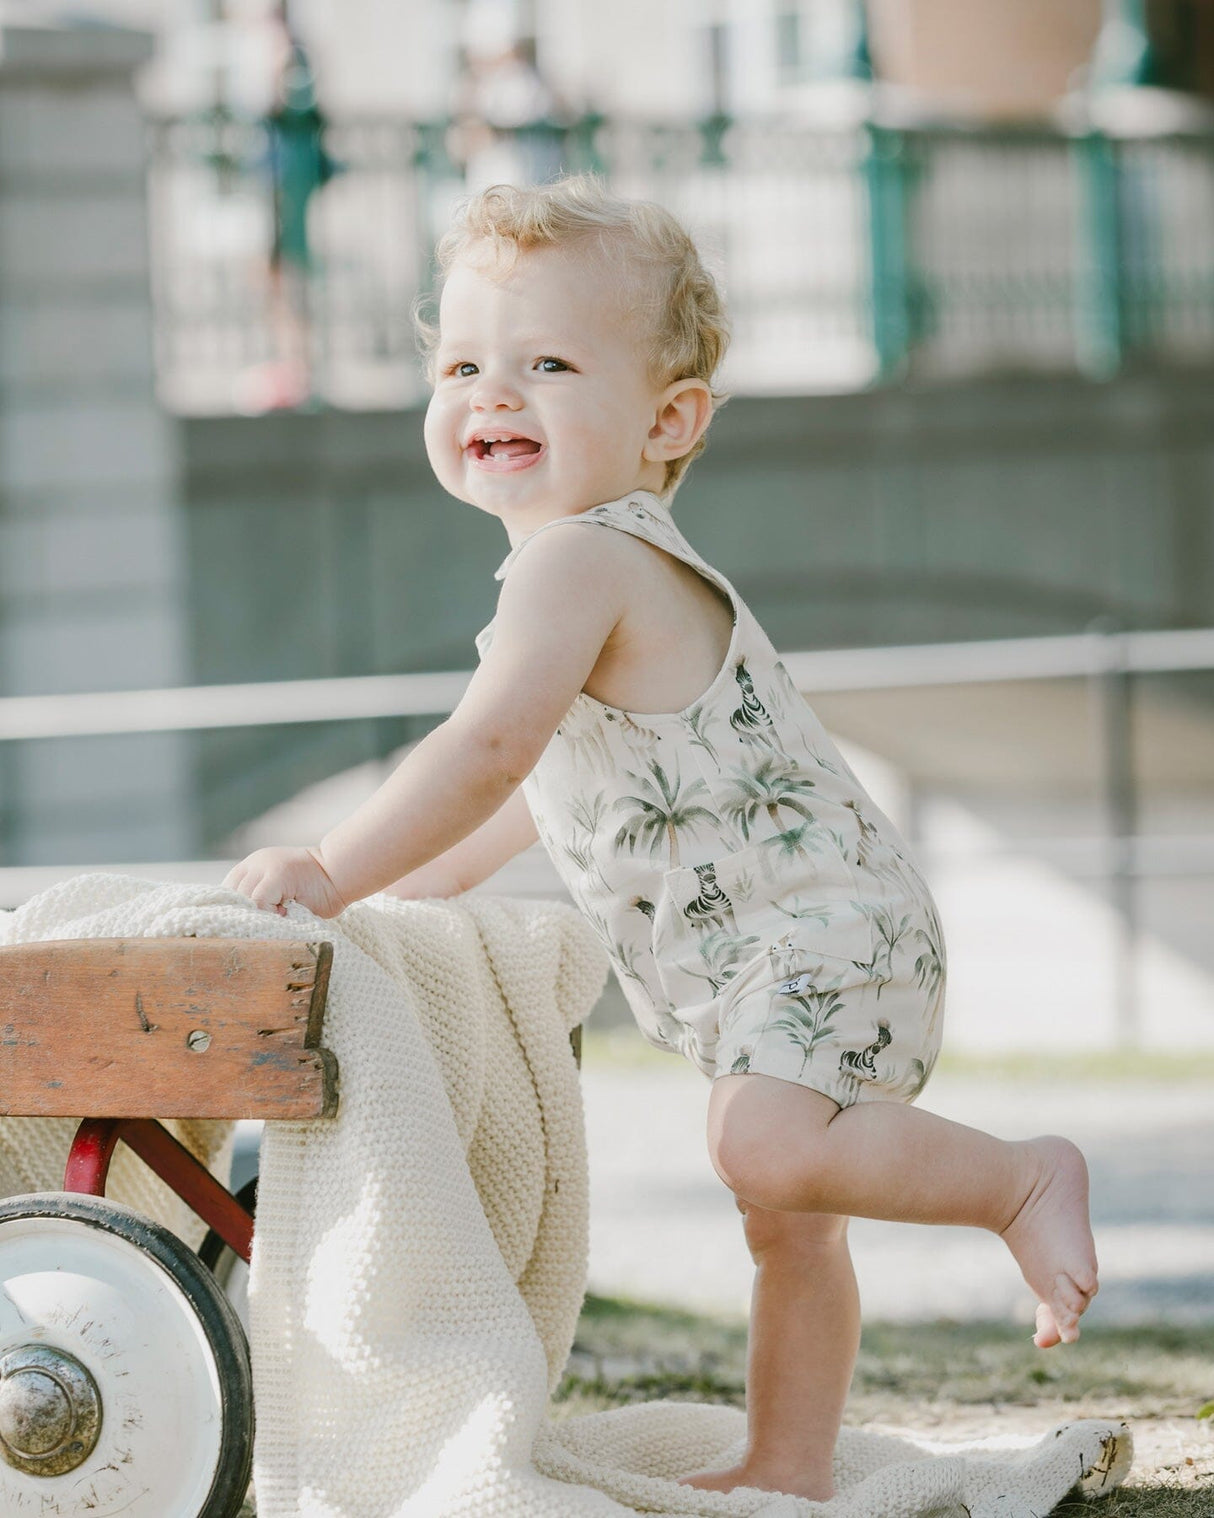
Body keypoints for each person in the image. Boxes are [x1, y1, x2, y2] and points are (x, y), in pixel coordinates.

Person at [223, 174, 1099, 1504]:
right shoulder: (588, 566)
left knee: (758, 1146)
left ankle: (1020, 1180)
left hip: (817, 930)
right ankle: (789, 1463)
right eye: (462, 363)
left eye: (547, 363)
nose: (492, 394)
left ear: (667, 419)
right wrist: (397, 897)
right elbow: (538, 794)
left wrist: (331, 869)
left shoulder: (579, 563)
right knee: (785, 1223)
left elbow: (481, 750)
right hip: (799, 939)